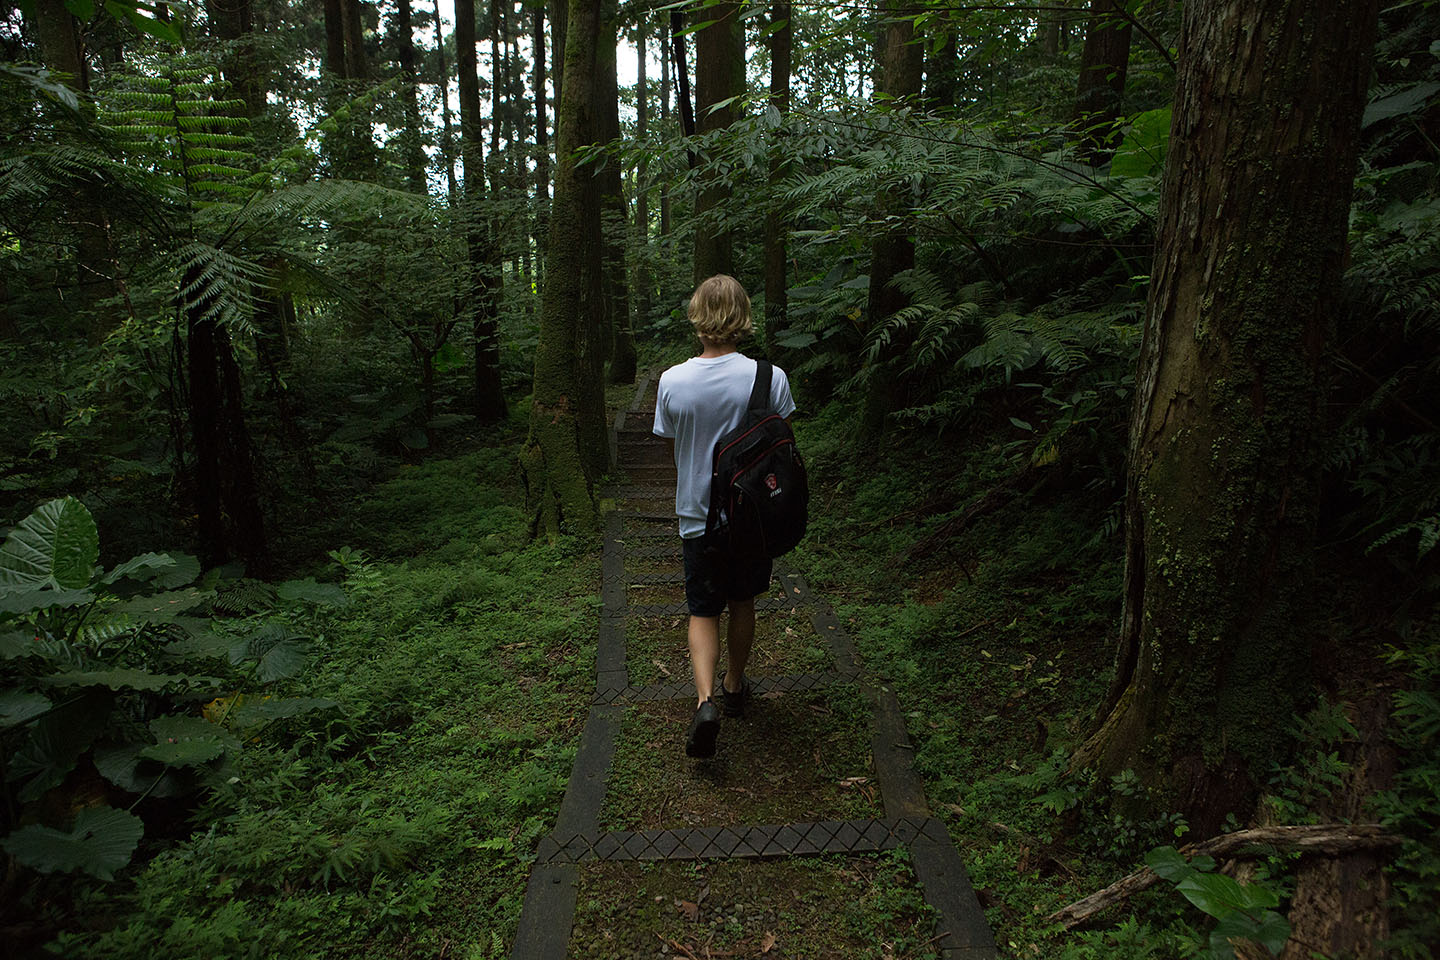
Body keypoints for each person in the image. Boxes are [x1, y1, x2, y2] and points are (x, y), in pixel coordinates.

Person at [652, 275, 797, 759]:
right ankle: (735, 686)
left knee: (702, 609)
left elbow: (672, 439)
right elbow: (781, 446)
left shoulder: (672, 381)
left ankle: (705, 699)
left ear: (697, 316)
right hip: (753, 519)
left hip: (697, 515)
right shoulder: (769, 377)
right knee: (743, 602)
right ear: (742, 315)